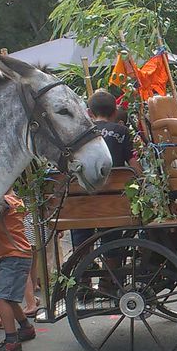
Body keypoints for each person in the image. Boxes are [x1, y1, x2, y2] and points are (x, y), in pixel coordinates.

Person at [70, 89, 139, 255]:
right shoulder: (122, 131)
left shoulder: (78, 134)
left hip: (81, 203)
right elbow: (133, 164)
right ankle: (110, 276)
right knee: (112, 235)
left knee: (81, 230)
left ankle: (83, 269)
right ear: (115, 112)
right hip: (112, 202)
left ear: (88, 112)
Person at [0, 191, 37, 351]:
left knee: (1, 297)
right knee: (9, 297)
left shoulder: (4, 202)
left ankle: (11, 341)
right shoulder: (15, 200)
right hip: (18, 254)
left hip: (13, 256)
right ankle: (25, 327)